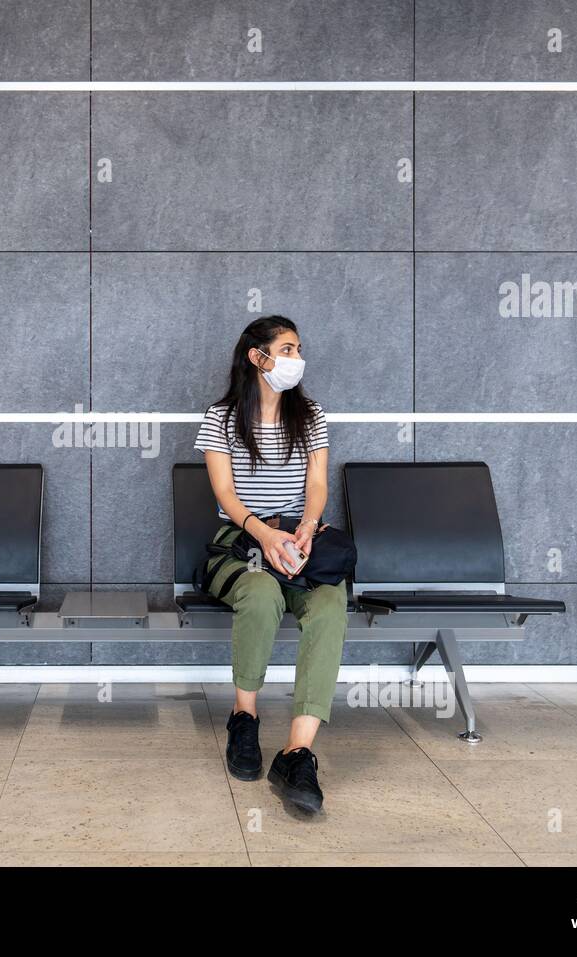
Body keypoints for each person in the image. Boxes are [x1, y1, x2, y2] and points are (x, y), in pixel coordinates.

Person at [193, 315, 347, 814]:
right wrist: (266, 533)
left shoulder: (312, 415)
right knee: (260, 592)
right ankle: (244, 719)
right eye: (285, 349)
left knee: (328, 603)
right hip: (243, 542)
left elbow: (318, 482)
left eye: (298, 348)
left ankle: (297, 751)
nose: (295, 359)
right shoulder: (221, 417)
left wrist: (306, 525)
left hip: (299, 541)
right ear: (255, 357)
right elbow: (225, 494)